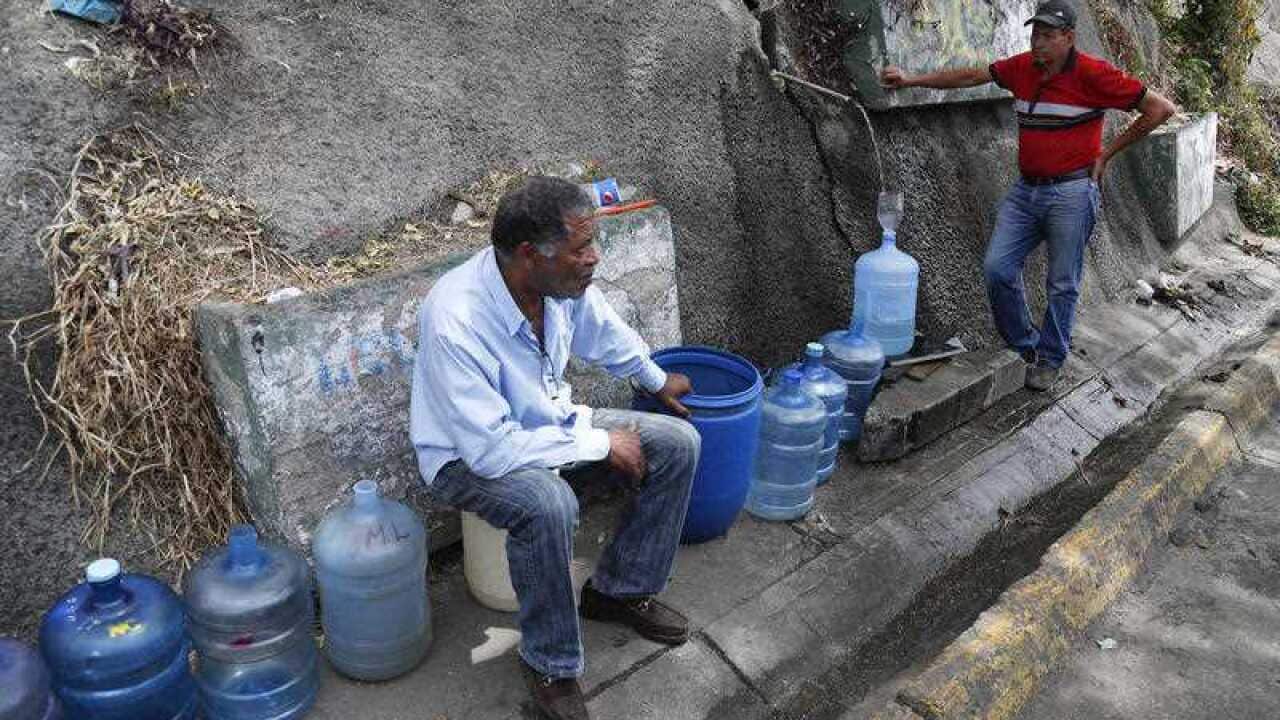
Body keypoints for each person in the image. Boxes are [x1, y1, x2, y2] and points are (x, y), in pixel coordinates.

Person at [410, 175, 700, 720]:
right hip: (465, 456)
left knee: (677, 442)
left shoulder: (559, 285)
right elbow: (491, 451)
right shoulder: (456, 318)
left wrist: (655, 378)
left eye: (593, 243)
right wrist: (596, 442)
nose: (592, 259)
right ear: (528, 255)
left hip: (547, 424)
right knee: (547, 503)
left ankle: (617, 591)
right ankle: (550, 664)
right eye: (580, 249)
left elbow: (603, 329)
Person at [881, 0, 1176, 391]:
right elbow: (972, 76)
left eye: (1048, 36)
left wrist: (1107, 154)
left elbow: (1160, 108)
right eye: (1035, 33)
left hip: (1071, 192)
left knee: (1061, 282)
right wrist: (912, 80)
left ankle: (1050, 359)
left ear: (1068, 39)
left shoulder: (1094, 74)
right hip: (1026, 191)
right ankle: (1025, 346)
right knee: (997, 268)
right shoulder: (1023, 68)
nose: (1038, 42)